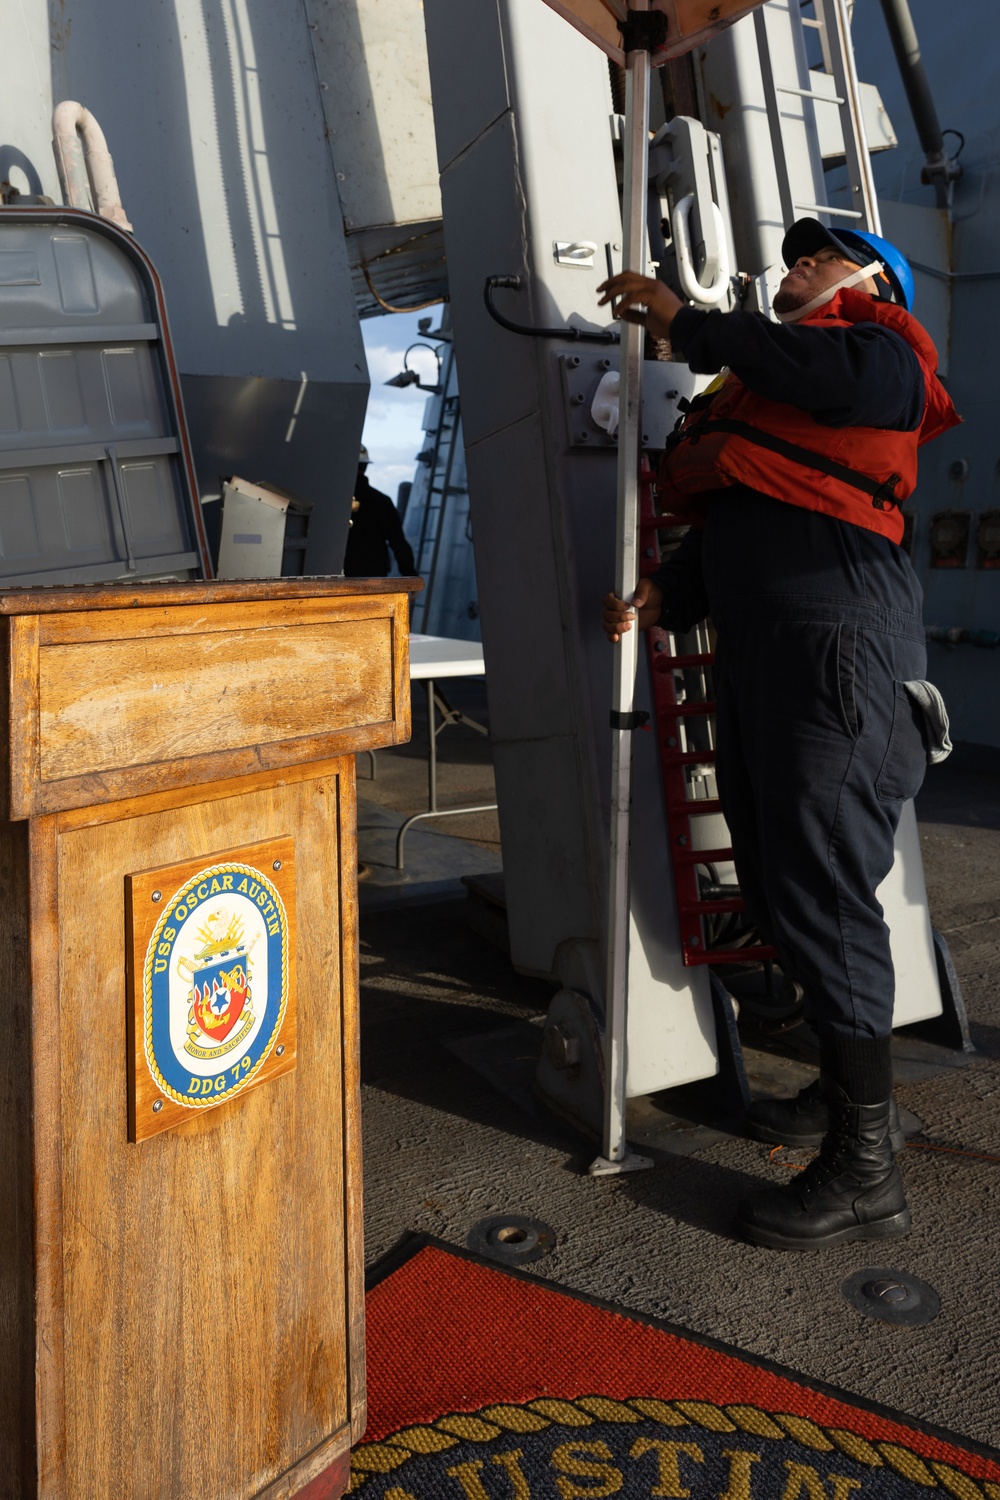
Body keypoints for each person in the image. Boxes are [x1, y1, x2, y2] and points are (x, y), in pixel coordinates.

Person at [598, 218, 959, 1251]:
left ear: (872, 282)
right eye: (797, 251)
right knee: (773, 880)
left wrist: (687, 320)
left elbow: (826, 382)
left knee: (820, 891)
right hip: (769, 650)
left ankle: (865, 1172)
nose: (800, 260)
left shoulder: (879, 348)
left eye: (824, 253)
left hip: (835, 646)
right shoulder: (771, 379)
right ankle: (849, 1104)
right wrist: (674, 592)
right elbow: (762, 513)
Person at [343, 445, 419, 578]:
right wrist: (410, 574)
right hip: (372, 578)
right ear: (365, 467)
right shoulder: (383, 502)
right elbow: (398, 542)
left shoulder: (331, 500)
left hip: (334, 577)